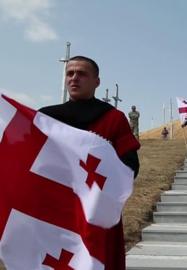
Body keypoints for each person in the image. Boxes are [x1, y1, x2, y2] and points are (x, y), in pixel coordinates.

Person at [39, 55, 140, 270]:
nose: (74, 78)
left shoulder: (113, 118)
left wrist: (98, 190)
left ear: (97, 81)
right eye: (70, 73)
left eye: (82, 74)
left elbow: (129, 165)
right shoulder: (45, 118)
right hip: (55, 209)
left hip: (95, 212)